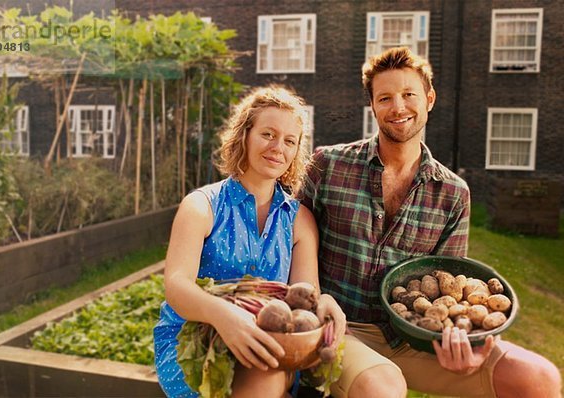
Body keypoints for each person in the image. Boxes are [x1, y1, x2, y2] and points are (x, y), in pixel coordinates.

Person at [300, 47, 561, 398]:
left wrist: (463, 340)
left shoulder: (454, 192)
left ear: (429, 99)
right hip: (341, 327)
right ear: (373, 106)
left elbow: (448, 284)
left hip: (414, 335)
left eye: (409, 94)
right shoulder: (328, 165)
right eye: (385, 98)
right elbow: (291, 238)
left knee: (539, 377)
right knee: (383, 388)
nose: (398, 107)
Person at [153, 85, 346, 398]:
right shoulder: (201, 206)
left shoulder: (300, 220)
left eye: (289, 141)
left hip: (271, 342)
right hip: (199, 338)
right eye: (267, 134)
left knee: (265, 375)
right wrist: (222, 315)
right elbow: (176, 286)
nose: (277, 148)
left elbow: (305, 298)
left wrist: (323, 304)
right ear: (244, 135)